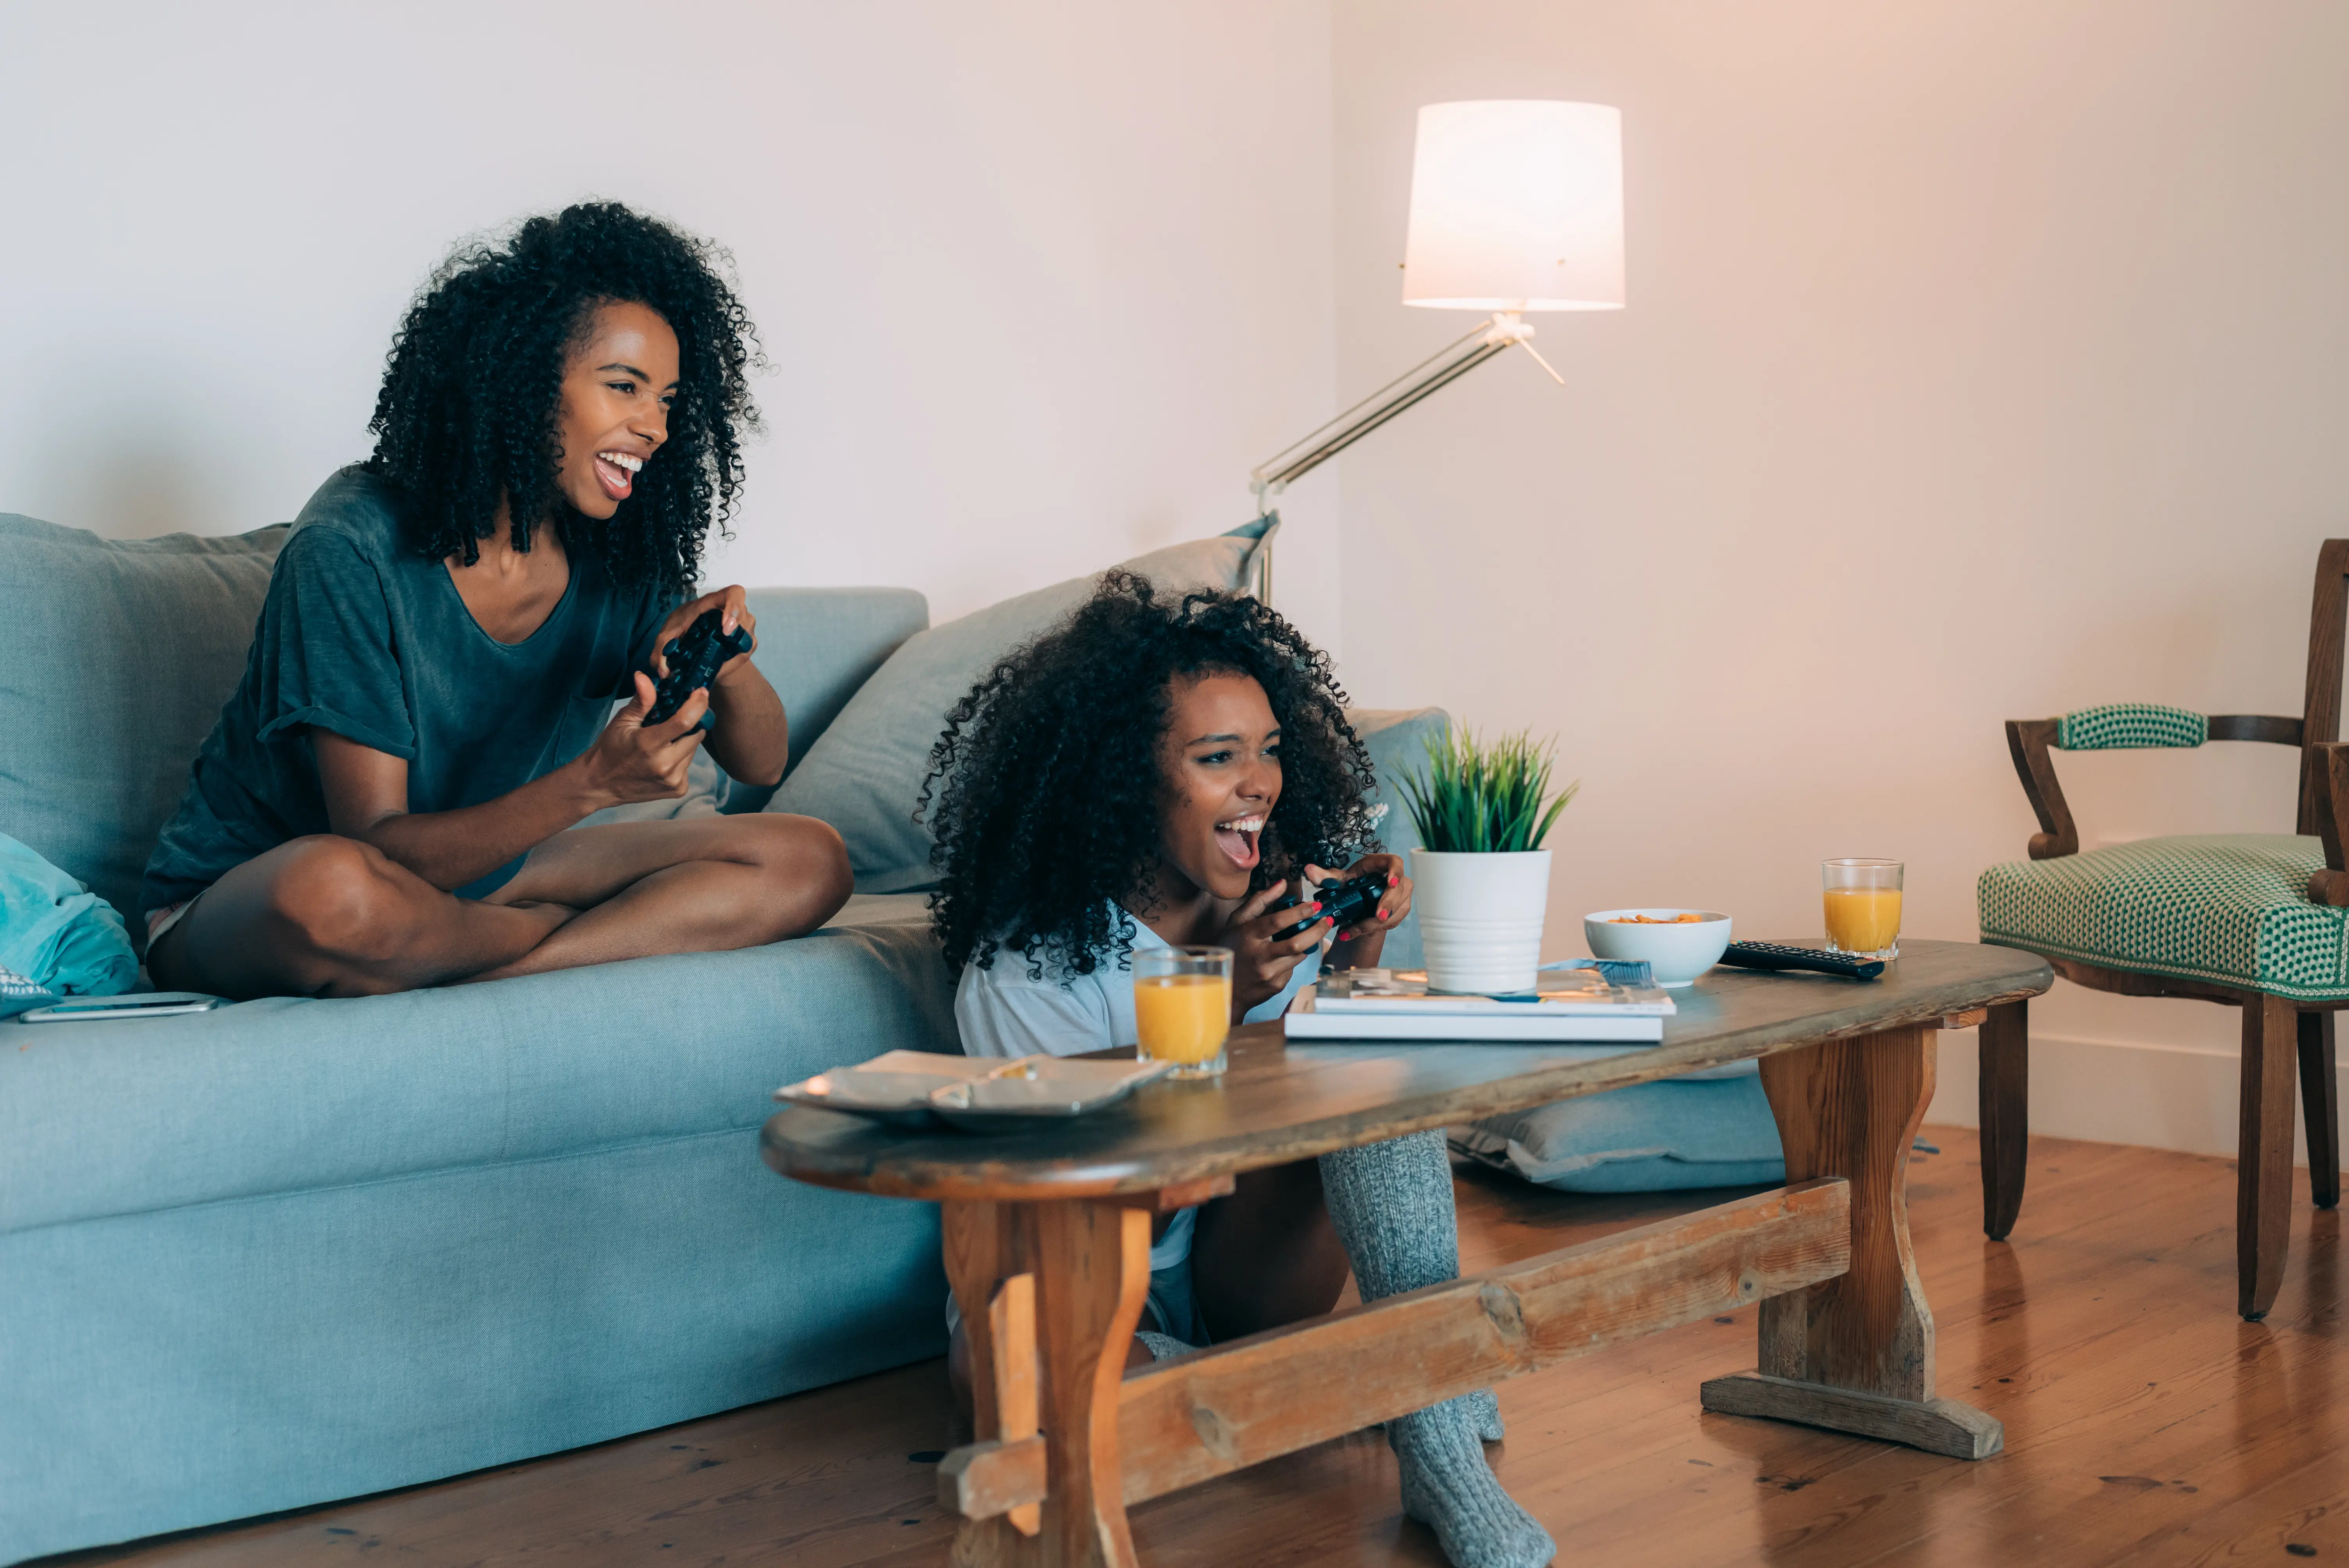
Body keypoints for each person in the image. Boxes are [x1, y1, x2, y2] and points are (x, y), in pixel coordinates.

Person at [919, 572, 1553, 1568]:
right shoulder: (1029, 967)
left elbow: (1331, 1114)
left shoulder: (1273, 906)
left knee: (1369, 1061)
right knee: (1016, 1382)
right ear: (1122, 781)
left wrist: (1351, 961)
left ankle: (1430, 1436)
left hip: (1230, 1266)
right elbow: (1078, 1189)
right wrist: (1223, 1015)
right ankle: (1365, 1377)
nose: (1258, 782)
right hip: (1073, 1277)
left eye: (1267, 751)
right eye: (1217, 758)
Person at [143, 203, 852, 1000]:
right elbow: (382, 849)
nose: (653, 427)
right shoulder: (350, 545)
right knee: (334, 891)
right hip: (265, 891)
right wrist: (594, 783)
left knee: (807, 857)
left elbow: (761, 761)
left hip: (477, 879)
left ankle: (501, 964)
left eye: (666, 401)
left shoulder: (615, 552)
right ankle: (539, 943)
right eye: (624, 387)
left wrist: (727, 660)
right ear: (521, 382)